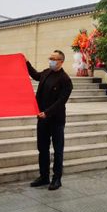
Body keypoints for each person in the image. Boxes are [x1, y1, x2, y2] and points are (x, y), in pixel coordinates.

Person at [26, 50, 73, 191]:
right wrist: (26, 62)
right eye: (50, 58)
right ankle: (44, 176)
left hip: (56, 120)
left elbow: (61, 102)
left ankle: (57, 178)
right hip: (42, 118)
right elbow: (35, 75)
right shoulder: (47, 72)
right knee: (42, 148)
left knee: (58, 150)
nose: (51, 61)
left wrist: (47, 113)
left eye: (54, 59)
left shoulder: (65, 80)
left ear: (61, 62)